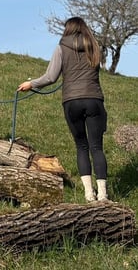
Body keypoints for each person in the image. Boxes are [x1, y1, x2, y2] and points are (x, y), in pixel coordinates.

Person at [17, 17, 108, 202]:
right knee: (97, 147)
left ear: (68, 29)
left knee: (82, 146)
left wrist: (31, 84)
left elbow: (51, 77)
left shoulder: (61, 48)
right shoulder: (95, 47)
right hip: (94, 99)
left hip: (72, 102)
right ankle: (103, 194)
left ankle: (89, 194)